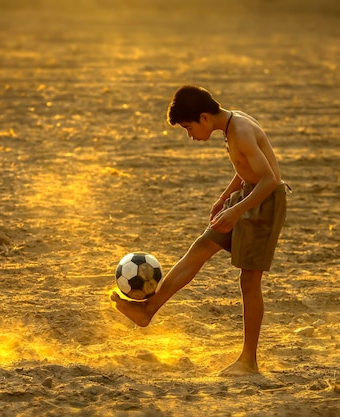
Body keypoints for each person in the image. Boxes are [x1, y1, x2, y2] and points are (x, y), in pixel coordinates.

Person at [111, 85, 289, 377]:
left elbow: (269, 179)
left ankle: (248, 362)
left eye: (188, 127)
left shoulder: (241, 130)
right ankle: (147, 310)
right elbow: (245, 164)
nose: (190, 135)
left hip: (264, 205)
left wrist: (236, 210)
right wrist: (225, 198)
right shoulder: (230, 126)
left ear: (205, 117)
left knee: (249, 281)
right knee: (201, 248)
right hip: (246, 195)